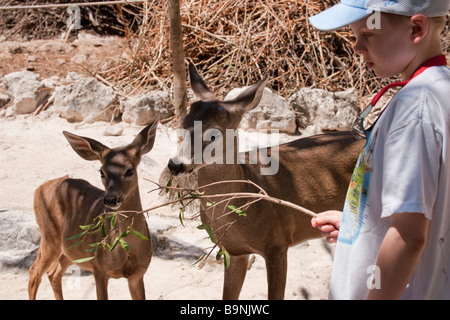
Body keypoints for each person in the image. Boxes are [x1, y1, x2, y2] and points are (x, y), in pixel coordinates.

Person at [309, 0, 450, 299]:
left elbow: (408, 237)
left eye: (368, 35)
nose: (358, 48)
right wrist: (360, 226)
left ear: (416, 28)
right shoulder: (440, 92)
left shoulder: (415, 108)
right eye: (355, 36)